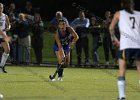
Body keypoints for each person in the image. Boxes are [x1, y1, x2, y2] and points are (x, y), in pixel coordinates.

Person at [109, 0, 140, 99]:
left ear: (122, 5)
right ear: (132, 5)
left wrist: (114, 39)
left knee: (122, 70)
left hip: (125, 45)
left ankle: (122, 96)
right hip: (138, 45)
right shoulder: (139, 14)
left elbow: (111, 28)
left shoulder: (119, 14)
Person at [0, 3, 11, 73]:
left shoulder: (5, 16)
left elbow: (9, 24)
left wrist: (8, 28)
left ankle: (1, 66)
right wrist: (5, 36)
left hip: (2, 36)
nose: (0, 9)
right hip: (3, 35)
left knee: (7, 50)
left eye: (1, 7)